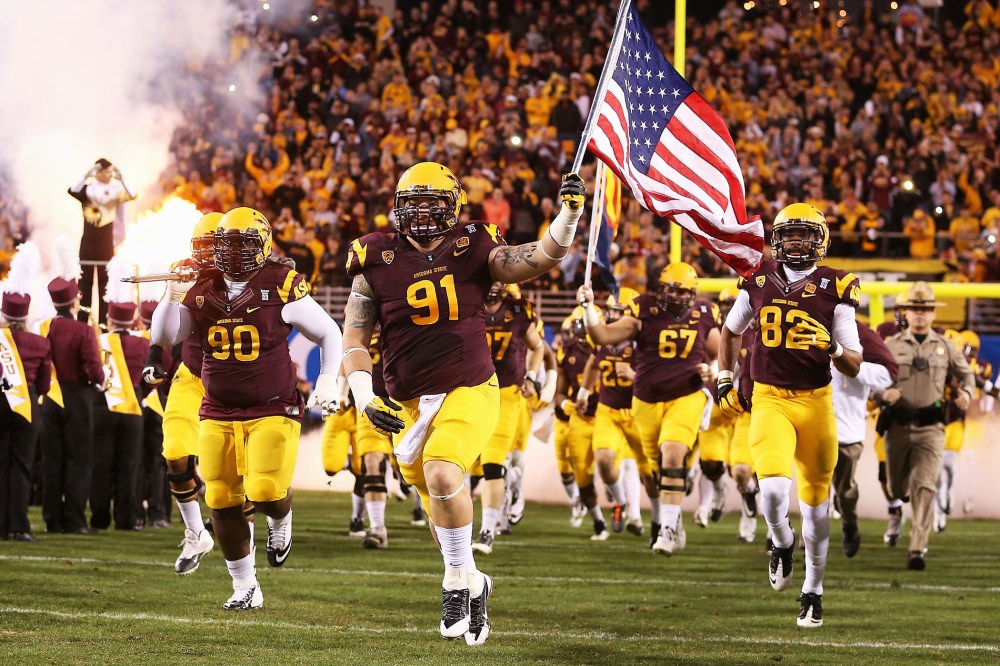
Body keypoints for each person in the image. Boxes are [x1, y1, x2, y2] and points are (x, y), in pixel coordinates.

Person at [341, 162, 585, 645]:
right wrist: (363, 394)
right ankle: (472, 577)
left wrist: (568, 215)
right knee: (438, 503)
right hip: (406, 400)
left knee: (443, 471)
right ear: (398, 208)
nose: (423, 215)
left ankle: (456, 581)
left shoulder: (474, 244)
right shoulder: (374, 257)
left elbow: (539, 257)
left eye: (433, 204)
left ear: (453, 207)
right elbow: (354, 336)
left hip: (469, 386)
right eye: (414, 205)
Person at [151, 207, 344, 610]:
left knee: (265, 490)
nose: (235, 253)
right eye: (228, 245)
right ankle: (245, 586)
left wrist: (327, 381)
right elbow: (167, 335)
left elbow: (329, 331)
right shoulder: (201, 286)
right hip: (218, 407)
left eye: (245, 244)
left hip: (271, 405)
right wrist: (170, 295)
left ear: (264, 247)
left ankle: (280, 518)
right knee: (220, 498)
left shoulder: (281, 283)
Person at [718, 203, 863, 628]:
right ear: (777, 239)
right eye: (790, 234)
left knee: (817, 507)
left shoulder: (837, 286)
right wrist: (725, 378)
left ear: (821, 241)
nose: (797, 241)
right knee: (775, 493)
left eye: (805, 234)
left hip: (816, 402)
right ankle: (782, 541)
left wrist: (832, 347)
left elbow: (853, 361)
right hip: (769, 398)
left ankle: (813, 591)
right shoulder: (758, 280)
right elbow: (730, 330)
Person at [579, 262, 719, 557]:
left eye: (684, 292)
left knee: (672, 451)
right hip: (646, 400)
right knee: (658, 470)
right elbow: (603, 336)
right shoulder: (644, 310)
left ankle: (666, 530)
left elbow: (720, 350)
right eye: (673, 290)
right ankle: (674, 519)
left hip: (687, 394)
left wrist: (716, 368)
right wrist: (590, 309)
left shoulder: (704, 313)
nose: (679, 297)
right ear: (661, 289)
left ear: (693, 294)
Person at [144, 213, 222, 573]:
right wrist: (152, 356)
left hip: (235, 379)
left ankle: (250, 539)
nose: (208, 254)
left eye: (216, 246)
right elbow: (163, 327)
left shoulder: (255, 276)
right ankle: (196, 532)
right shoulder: (185, 271)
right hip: (191, 375)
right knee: (174, 452)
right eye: (203, 246)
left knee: (237, 473)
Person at [878, 282, 974, 571]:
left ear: (933, 314)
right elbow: (873, 381)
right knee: (895, 488)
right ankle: (901, 499)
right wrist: (883, 394)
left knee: (926, 485)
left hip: (932, 427)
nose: (920, 314)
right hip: (897, 425)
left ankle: (917, 548)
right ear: (906, 312)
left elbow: (966, 375)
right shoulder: (890, 346)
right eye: (915, 308)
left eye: (926, 309)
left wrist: (966, 393)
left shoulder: (946, 347)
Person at [38, 239, 105, 535]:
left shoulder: (43, 327)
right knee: (79, 458)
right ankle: (75, 519)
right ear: (74, 300)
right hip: (77, 395)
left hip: (50, 396)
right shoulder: (82, 329)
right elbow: (93, 367)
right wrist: (101, 380)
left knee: (53, 459)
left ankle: (52, 517)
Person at [471, 282, 544, 555]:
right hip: (470, 393)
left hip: (507, 395)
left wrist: (533, 378)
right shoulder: (467, 304)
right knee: (466, 465)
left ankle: (488, 529)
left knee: (494, 463)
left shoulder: (518, 311)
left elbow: (538, 348)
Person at [578, 288, 643, 536]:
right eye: (612, 311)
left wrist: (635, 376)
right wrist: (584, 394)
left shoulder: (642, 341)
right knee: (609, 461)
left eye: (619, 311)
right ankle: (622, 504)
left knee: (646, 470)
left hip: (638, 411)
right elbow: (594, 362)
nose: (613, 316)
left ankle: (663, 521)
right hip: (609, 409)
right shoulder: (603, 338)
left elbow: (656, 380)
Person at [830, 324, 898, 558]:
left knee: (844, 488)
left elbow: (888, 373)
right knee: (811, 485)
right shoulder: (801, 318)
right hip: (809, 422)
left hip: (846, 428)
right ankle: (804, 537)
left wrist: (846, 361)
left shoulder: (860, 333)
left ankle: (849, 523)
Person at [90, 270, 149, 531]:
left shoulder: (99, 340)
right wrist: (139, 394)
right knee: (129, 465)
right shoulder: (143, 345)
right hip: (133, 405)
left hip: (103, 405)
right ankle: (126, 518)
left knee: (101, 462)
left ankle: (100, 516)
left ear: (110, 319)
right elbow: (152, 376)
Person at [0, 241, 51, 541]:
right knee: (21, 464)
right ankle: (18, 526)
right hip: (26, 402)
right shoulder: (39, 342)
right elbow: (45, 382)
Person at [67, 159, 135, 325]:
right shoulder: (88, 190)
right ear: (98, 172)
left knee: (105, 287)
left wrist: (122, 179)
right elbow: (72, 190)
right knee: (85, 287)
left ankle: (104, 325)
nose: (110, 175)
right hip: (88, 245)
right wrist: (86, 175)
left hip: (105, 245)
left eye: (111, 171)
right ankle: (82, 324)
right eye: (106, 171)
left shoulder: (115, 192)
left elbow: (133, 194)